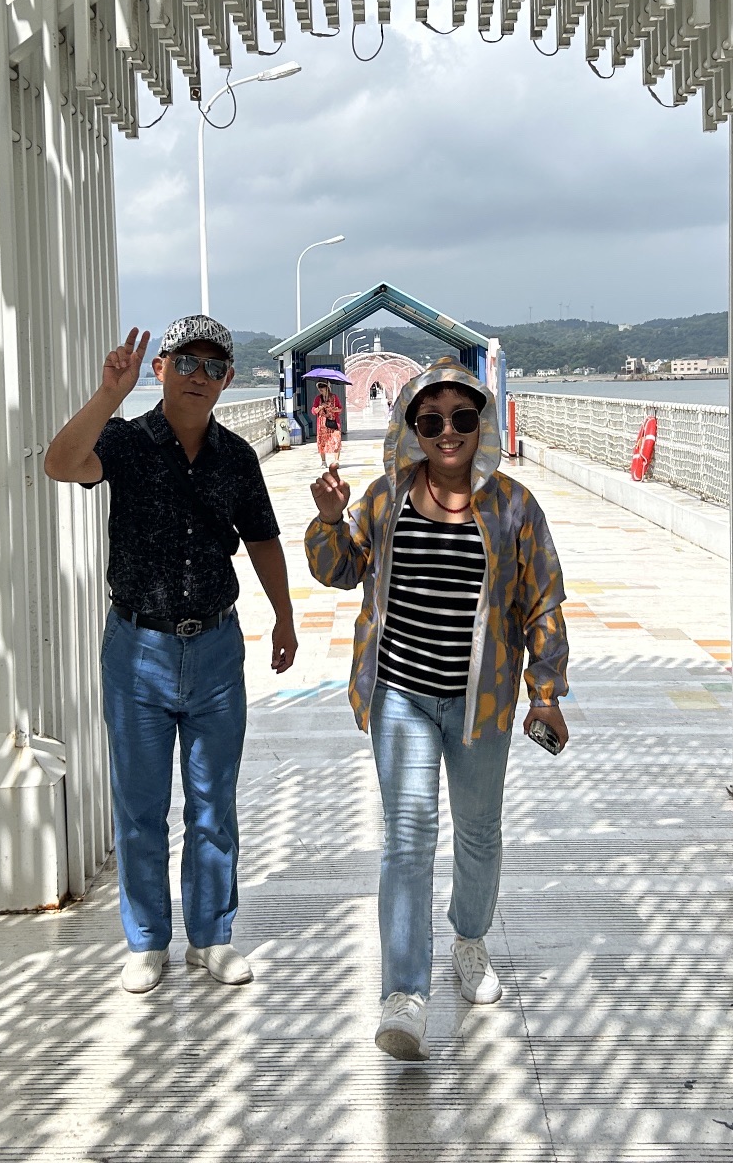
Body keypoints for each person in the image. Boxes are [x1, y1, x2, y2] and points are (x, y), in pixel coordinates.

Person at [305, 357, 570, 1061]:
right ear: (412, 427)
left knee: (478, 831)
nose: (447, 431)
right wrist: (328, 521)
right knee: (409, 834)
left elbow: (543, 600)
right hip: (400, 692)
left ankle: (470, 940)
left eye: (461, 417)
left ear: (481, 424)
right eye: (430, 420)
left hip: (482, 700)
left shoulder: (514, 507)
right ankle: (403, 993)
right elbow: (338, 570)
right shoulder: (385, 498)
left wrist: (546, 693)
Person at [43, 316, 300, 994]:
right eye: (186, 362)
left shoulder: (237, 458)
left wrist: (284, 617)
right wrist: (108, 395)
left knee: (213, 805)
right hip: (138, 651)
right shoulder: (125, 443)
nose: (199, 377)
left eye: (214, 367)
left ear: (228, 380)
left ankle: (211, 937)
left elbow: (263, 539)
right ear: (159, 369)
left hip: (215, 650)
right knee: (140, 807)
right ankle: (147, 939)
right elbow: (60, 463)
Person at [312, 386, 344, 466]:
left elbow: (340, 408)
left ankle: (336, 461)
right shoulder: (318, 399)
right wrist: (320, 407)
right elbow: (314, 411)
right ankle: (323, 461)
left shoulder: (334, 397)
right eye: (319, 388)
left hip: (333, 423)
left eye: (322, 387)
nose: (320, 389)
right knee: (322, 442)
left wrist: (335, 409)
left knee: (337, 440)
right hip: (322, 425)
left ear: (327, 388)